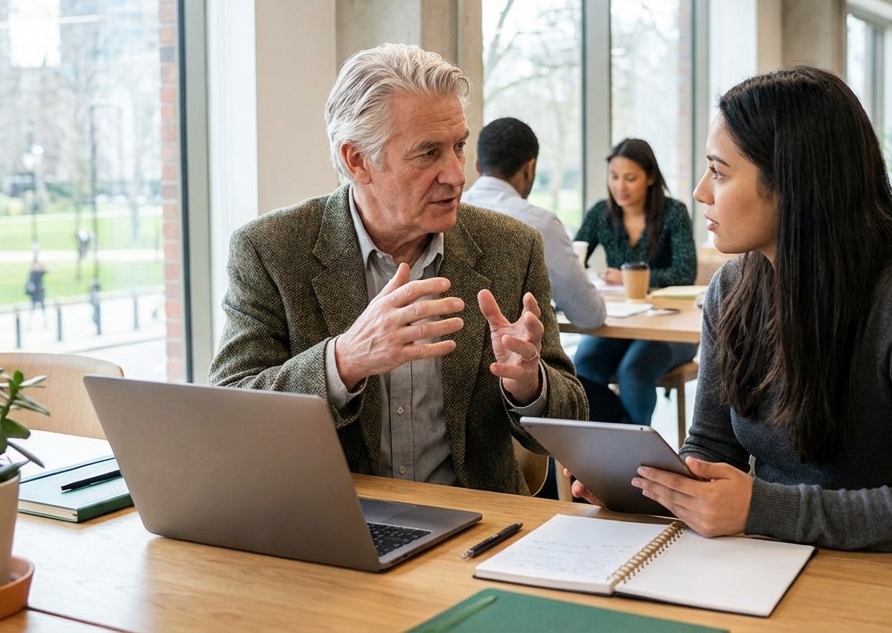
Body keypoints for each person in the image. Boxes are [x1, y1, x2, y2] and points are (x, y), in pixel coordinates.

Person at [573, 66, 892, 553]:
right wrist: (650, 490)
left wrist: (762, 508)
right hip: (764, 562)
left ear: (791, 185)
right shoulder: (731, 288)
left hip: (884, 580)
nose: (700, 192)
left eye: (718, 172)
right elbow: (713, 450)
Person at [208, 44, 587, 495]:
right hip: (335, 519)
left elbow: (572, 418)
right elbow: (231, 416)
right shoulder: (270, 250)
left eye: (459, 146)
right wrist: (345, 360)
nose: (456, 174)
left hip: (480, 522)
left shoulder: (511, 247)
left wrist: (530, 385)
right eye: (428, 153)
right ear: (357, 160)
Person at [571, 138, 697, 425]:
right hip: (619, 324)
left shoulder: (673, 213)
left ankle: (632, 457)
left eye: (630, 178)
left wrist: (631, 279)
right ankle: (603, 443)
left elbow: (684, 273)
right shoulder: (601, 214)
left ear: (650, 178)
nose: (620, 187)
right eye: (614, 177)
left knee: (634, 370)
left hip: (670, 328)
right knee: (583, 366)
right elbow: (573, 259)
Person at [461, 117, 607, 330]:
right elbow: (589, 315)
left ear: (477, 165)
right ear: (530, 167)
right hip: (519, 355)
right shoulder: (540, 225)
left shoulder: (448, 212)